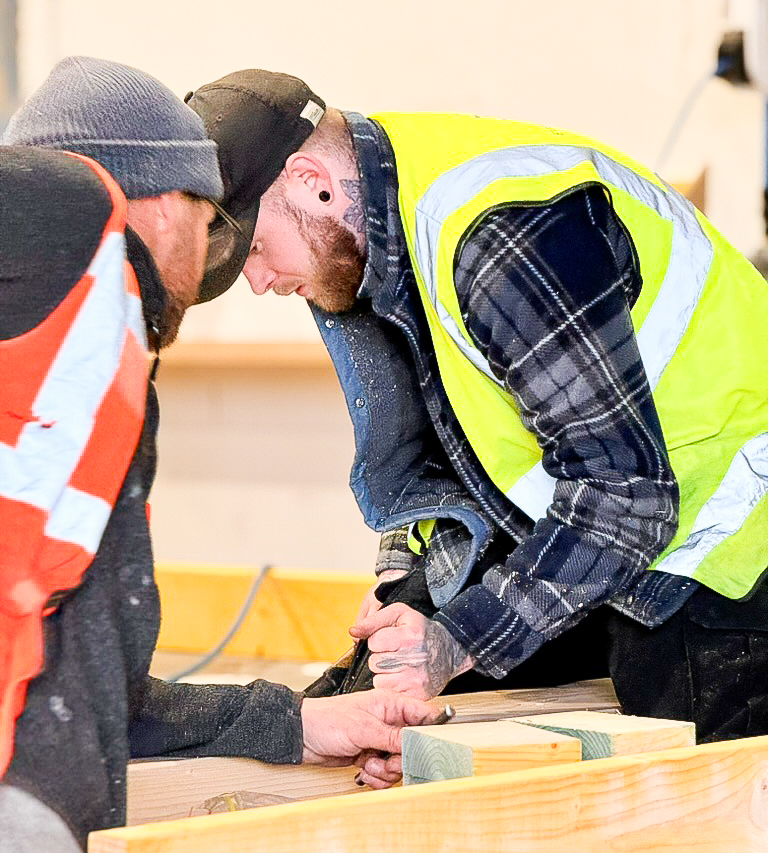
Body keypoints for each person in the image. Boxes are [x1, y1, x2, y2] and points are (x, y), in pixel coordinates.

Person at [0, 57, 437, 853]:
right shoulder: (91, 259)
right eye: (209, 223)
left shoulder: (45, 366)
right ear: (163, 204)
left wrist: (296, 726)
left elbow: (98, 694)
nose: (218, 265)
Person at [186, 68, 768, 742]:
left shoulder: (503, 240)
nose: (257, 282)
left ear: (314, 181)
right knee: (371, 714)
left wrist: (454, 641)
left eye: (256, 249)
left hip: (723, 530)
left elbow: (627, 497)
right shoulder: (387, 222)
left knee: (674, 773)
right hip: (604, 518)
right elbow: (449, 433)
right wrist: (406, 580)